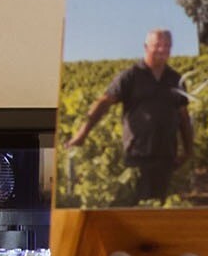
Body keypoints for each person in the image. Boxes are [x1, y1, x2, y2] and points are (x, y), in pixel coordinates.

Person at [70, 28, 193, 204]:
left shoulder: (175, 79)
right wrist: (81, 134)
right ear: (145, 47)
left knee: (159, 206)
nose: (162, 49)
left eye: (167, 45)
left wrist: (188, 149)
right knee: (138, 206)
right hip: (137, 155)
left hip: (166, 155)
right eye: (157, 45)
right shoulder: (130, 76)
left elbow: (183, 116)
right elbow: (104, 103)